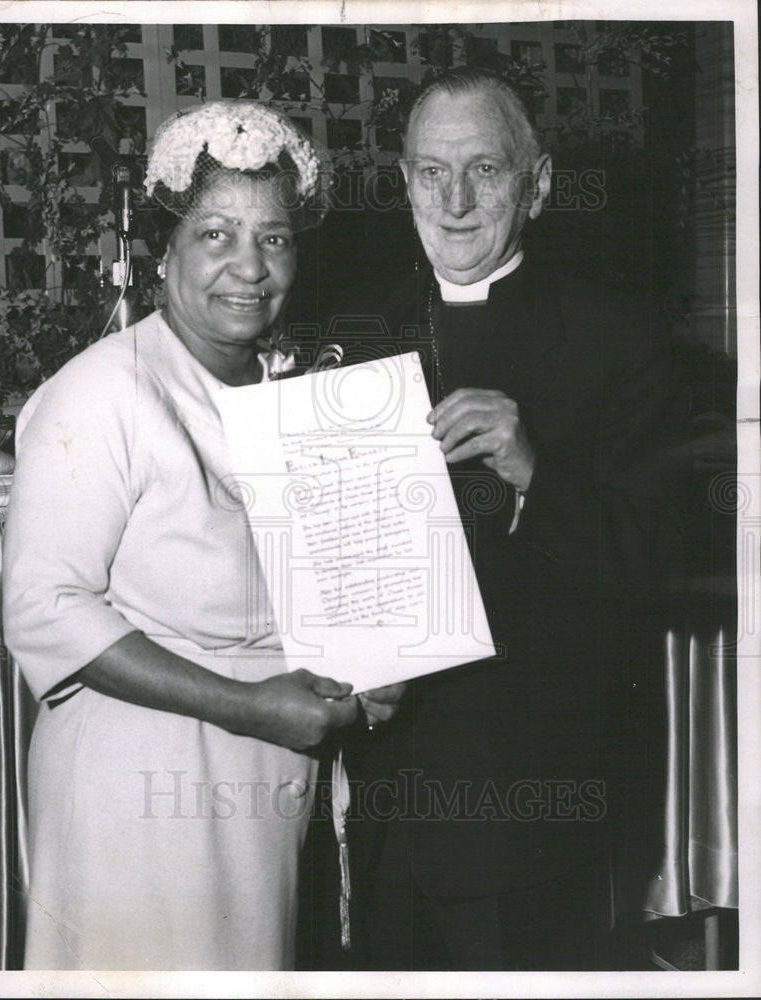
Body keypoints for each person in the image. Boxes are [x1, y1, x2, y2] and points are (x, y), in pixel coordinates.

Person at [1, 100, 403, 971]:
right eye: (215, 235)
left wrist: (374, 666)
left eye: (275, 238)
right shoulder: (103, 392)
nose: (248, 268)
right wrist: (248, 705)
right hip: (138, 781)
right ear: (165, 249)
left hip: (261, 777)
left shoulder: (289, 388)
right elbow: (41, 606)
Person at [317, 68, 690, 970]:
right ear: (404, 180)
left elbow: (659, 561)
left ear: (539, 184)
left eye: (484, 169)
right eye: (431, 172)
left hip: (529, 806)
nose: (453, 201)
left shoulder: (620, 336)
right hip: (386, 796)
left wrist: (534, 473)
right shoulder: (352, 325)